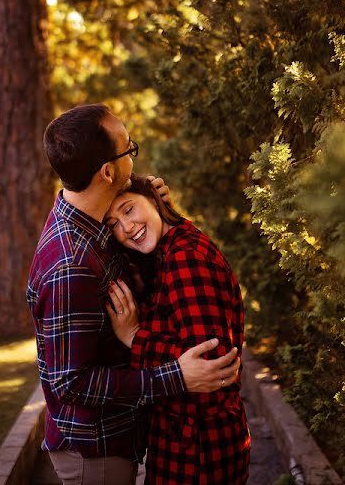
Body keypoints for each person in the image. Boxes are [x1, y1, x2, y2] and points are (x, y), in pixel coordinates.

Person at [27, 104, 240, 485]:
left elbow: (161, 284)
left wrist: (155, 207)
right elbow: (71, 383)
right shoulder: (71, 266)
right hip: (96, 450)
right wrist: (173, 376)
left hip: (122, 437)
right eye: (129, 149)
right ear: (108, 172)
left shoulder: (92, 223)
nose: (134, 158)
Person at [105, 174, 251, 485]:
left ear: (154, 201)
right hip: (192, 443)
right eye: (113, 224)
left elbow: (212, 363)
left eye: (129, 210)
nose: (126, 228)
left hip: (198, 451)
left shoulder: (185, 257)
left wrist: (134, 338)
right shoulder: (171, 250)